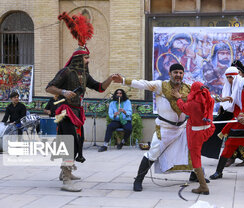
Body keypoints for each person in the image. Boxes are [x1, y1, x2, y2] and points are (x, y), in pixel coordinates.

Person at [46, 12, 115, 192]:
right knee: (67, 141)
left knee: (77, 141)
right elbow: (49, 87)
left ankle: (65, 171)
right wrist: (63, 91)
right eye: (85, 58)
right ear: (78, 58)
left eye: (87, 58)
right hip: (64, 111)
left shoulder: (84, 75)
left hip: (77, 112)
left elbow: (100, 87)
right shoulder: (66, 72)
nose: (88, 60)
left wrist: (111, 78)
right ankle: (66, 178)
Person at [113, 63, 192, 192]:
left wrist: (219, 99)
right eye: (175, 72)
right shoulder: (161, 86)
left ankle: (195, 175)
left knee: (191, 150)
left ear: (183, 74)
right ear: (170, 74)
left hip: (182, 128)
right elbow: (142, 83)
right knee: (153, 152)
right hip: (165, 128)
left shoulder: (188, 88)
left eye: (180, 73)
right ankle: (138, 180)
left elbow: (203, 97)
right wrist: (123, 80)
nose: (178, 75)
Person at [172, 82, 215, 195]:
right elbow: (212, 99)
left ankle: (203, 186)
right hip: (208, 130)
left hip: (196, 133)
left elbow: (183, 108)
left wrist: (178, 98)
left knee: (196, 158)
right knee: (197, 154)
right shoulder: (209, 99)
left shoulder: (194, 104)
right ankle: (201, 182)